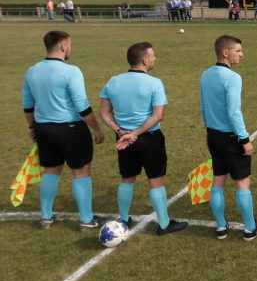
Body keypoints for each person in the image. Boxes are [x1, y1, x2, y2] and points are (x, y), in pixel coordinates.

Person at [98, 42, 187, 235]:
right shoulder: (154, 83)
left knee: (127, 178)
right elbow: (158, 115)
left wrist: (120, 131)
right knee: (155, 180)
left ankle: (123, 220)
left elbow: (104, 112)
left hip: (124, 140)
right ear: (145, 60)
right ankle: (164, 224)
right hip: (149, 138)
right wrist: (136, 133)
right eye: (153, 56)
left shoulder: (113, 81)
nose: (155, 58)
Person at [22, 31, 106, 229]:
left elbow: (27, 106)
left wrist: (32, 127)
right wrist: (97, 129)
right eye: (70, 45)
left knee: (51, 170)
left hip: (44, 129)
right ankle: (86, 219)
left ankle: (46, 216)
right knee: (81, 172)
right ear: (63, 47)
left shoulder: (31, 71)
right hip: (71, 129)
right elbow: (82, 106)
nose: (70, 48)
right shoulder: (71, 71)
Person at [199, 35, 257, 240]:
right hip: (231, 139)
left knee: (218, 181)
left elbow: (203, 107)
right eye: (238, 51)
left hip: (213, 137)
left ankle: (221, 227)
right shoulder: (233, 78)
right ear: (225, 52)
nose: (242, 55)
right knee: (242, 183)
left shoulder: (205, 75)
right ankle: (250, 229)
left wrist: (208, 131)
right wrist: (245, 139)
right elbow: (234, 112)